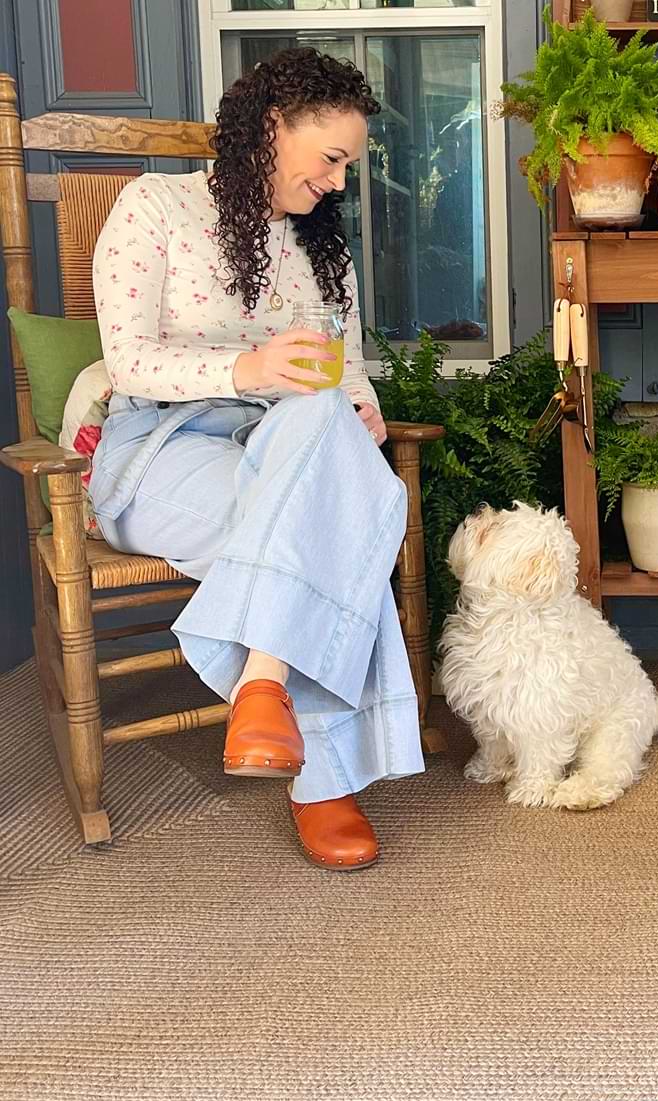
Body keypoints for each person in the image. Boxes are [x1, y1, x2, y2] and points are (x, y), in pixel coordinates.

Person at [88, 48, 424, 871]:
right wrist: (247, 370)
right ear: (273, 128)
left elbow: (341, 368)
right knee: (337, 517)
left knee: (322, 437)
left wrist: (362, 410)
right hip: (163, 447)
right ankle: (324, 782)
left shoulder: (315, 246)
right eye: (333, 159)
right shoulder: (153, 208)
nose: (340, 182)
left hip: (286, 443)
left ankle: (263, 687)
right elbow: (127, 360)